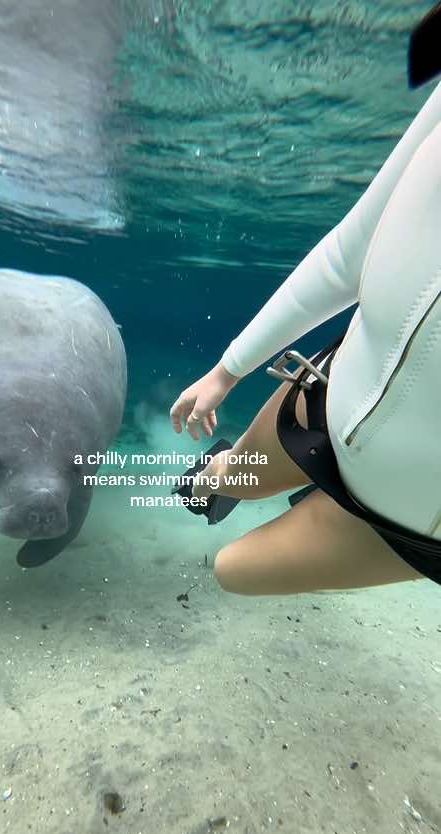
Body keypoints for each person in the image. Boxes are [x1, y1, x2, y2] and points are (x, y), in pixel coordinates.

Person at [169, 4, 441, 595]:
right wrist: (227, 370)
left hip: (415, 524)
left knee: (233, 571)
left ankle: (318, 498)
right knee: (211, 481)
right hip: (325, 400)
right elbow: (348, 253)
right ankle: (221, 475)